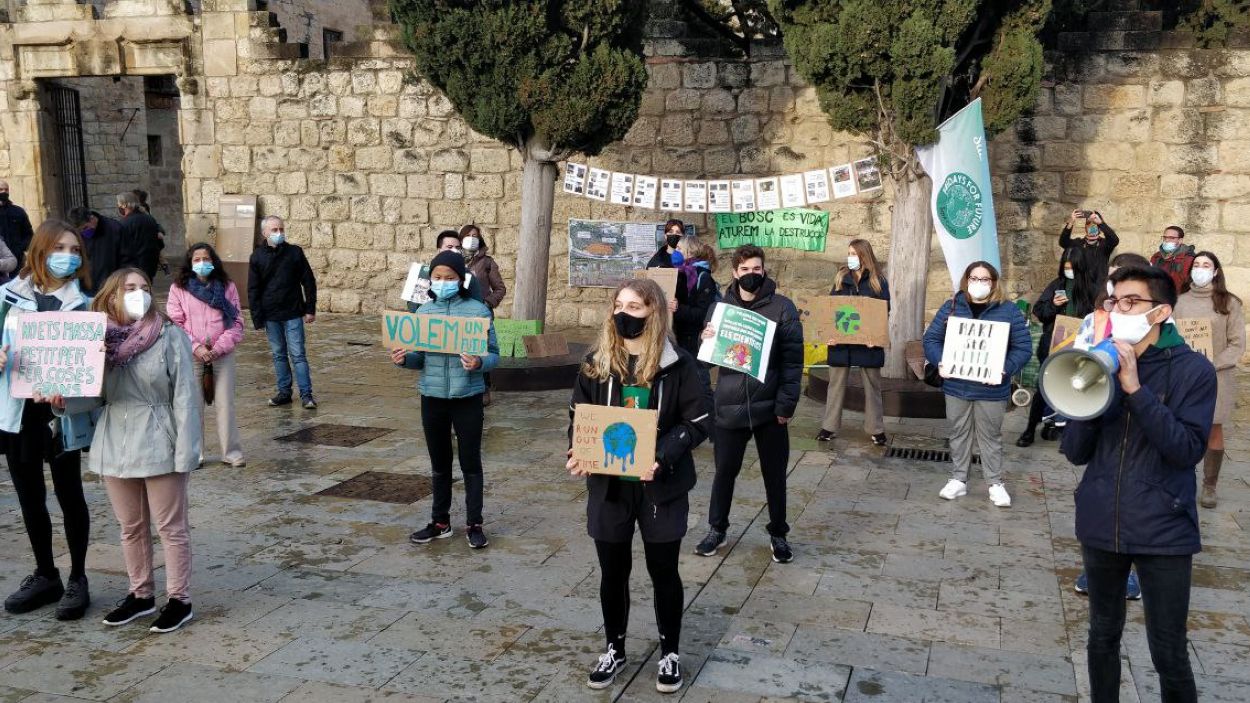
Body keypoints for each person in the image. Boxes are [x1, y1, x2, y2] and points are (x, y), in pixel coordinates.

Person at [1061, 265, 1216, 703]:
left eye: (1131, 302)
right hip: (1101, 521)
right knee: (1101, 636)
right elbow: (1075, 451)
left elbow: (1186, 449)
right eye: (1113, 301)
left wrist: (1136, 390)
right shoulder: (1099, 360)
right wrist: (1092, 397)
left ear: (1160, 312)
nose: (1118, 309)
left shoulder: (1193, 371)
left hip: (1163, 528)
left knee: (1168, 649)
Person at [566, 277, 709, 695]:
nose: (624, 314)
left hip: (659, 488)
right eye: (619, 305)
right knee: (613, 571)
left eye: (635, 307)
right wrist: (576, 451)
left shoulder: (679, 364)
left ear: (654, 313)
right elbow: (579, 415)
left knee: (663, 570)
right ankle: (614, 647)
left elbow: (697, 422)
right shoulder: (596, 361)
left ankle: (670, 652)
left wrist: (662, 456)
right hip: (609, 486)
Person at [52, 268, 200, 632]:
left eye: (144, 287)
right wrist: (62, 399)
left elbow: (185, 396)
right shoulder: (99, 339)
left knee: (170, 527)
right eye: (129, 288)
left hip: (158, 434)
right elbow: (92, 394)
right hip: (115, 437)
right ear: (113, 294)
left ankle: (179, 599)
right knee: (130, 526)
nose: (138, 294)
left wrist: (187, 451)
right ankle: (141, 594)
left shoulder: (169, 335)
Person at [0, 220, 95, 620]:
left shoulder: (84, 304)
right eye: (61, 248)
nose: (68, 256)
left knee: (69, 493)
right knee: (29, 496)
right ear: (40, 250)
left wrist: (70, 392)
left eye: (75, 250)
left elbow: (91, 368)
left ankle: (77, 577)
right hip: (18, 410)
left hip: (58, 414)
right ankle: (45, 573)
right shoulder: (7, 297)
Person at [693, 245, 804, 563]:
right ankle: (717, 529)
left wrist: (786, 405)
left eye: (756, 269)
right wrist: (706, 340)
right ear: (734, 273)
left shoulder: (783, 308)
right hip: (729, 405)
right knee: (724, 472)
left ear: (764, 271)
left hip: (769, 408)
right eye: (745, 270)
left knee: (775, 475)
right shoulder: (719, 309)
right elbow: (707, 364)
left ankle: (779, 534)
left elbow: (793, 362)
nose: (751, 274)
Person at [391, 250, 499, 549]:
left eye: (449, 278)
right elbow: (419, 358)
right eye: (437, 278)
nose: (442, 282)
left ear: (460, 280)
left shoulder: (479, 312)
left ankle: (474, 523)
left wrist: (479, 363)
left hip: (468, 397)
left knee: (470, 463)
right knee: (440, 463)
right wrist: (403, 360)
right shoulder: (423, 314)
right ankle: (440, 521)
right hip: (433, 396)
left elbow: (494, 354)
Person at [923, 261, 1032, 508]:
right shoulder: (951, 307)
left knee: (990, 436)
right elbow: (932, 339)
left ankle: (994, 483)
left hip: (991, 388)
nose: (979, 283)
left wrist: (1005, 367)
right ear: (966, 280)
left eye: (984, 279)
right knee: (958, 432)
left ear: (994, 283)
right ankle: (958, 479)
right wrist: (941, 360)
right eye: (974, 278)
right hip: (957, 385)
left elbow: (1023, 347)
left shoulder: (1009, 310)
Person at [1175, 251, 1244, 509]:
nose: (1200, 269)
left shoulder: (1229, 303)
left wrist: (1211, 365)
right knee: (1182, 427)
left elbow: (1237, 343)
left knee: (1213, 429)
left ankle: (1209, 486)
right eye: (1196, 265)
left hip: (1217, 377)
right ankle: (1183, 480)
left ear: (1216, 271)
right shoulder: (1179, 302)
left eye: (1206, 265)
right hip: (1184, 376)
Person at [167, 243, 246, 468]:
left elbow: (237, 321)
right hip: (192, 355)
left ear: (214, 261)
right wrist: (197, 347)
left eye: (206, 258)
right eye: (197, 259)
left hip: (222, 353)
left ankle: (231, 452)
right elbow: (175, 323)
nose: (202, 263)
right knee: (193, 406)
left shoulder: (227, 286)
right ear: (190, 263)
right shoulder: (178, 288)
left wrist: (219, 348)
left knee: (225, 404)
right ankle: (195, 453)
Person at [1017, 247, 1100, 447]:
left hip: (1079, 345)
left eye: (1072, 267)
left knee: (1075, 387)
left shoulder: (1092, 289)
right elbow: (1040, 311)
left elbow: (1099, 316)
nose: (1068, 270)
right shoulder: (1056, 285)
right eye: (1066, 267)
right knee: (1044, 386)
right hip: (1053, 342)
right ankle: (1030, 429)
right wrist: (1053, 305)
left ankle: (1064, 429)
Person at [816, 239, 891, 447]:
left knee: (872, 386)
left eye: (854, 254)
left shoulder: (878, 281)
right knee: (836, 384)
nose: (850, 258)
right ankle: (829, 427)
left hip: (868, 343)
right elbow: (831, 309)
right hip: (841, 343)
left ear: (864, 256)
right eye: (849, 253)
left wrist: (875, 336)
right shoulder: (840, 278)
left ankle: (876, 429)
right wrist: (829, 334)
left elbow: (884, 311)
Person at [249, 215, 318, 409]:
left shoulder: (294, 253)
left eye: (281, 229)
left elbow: (308, 281)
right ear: (264, 233)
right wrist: (257, 317)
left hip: (293, 311)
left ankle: (307, 394)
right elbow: (253, 289)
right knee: (278, 354)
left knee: (298, 354)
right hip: (271, 314)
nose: (279, 233)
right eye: (274, 230)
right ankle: (284, 392)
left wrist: (310, 308)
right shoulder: (257, 257)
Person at [462, 224, 505, 405]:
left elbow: (500, 288)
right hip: (459, 312)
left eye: (475, 235)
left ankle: (484, 388)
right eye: (468, 235)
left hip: (480, 313)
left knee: (483, 349)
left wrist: (487, 303)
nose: (472, 238)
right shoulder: (454, 260)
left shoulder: (487, 262)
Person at [670, 234, 719, 358]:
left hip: (695, 342)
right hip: (680, 338)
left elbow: (703, 313)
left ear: (691, 252)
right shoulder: (679, 272)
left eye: (679, 249)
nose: (675, 252)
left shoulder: (702, 277)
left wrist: (678, 309)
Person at [68, 207, 128, 295]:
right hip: (86, 289)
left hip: (111, 288)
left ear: (92, 219)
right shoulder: (77, 235)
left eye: (85, 228)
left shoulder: (115, 229)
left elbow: (127, 259)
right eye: (80, 230)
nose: (83, 232)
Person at [116, 192, 163, 280]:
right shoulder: (150, 219)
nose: (118, 206)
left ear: (124, 205)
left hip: (133, 266)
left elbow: (122, 247)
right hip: (150, 264)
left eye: (118, 204)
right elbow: (159, 243)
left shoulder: (125, 223)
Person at [1150, 225, 1196, 295]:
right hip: (1157, 298)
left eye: (1172, 238)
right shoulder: (1156, 257)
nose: (1167, 240)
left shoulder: (1188, 259)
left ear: (1180, 240)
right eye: (1165, 237)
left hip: (1178, 300)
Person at [0, 180, 35, 271]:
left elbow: (29, 235)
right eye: (0, 189)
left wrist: (19, 248)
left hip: (17, 261)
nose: (4, 192)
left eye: (6, 190)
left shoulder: (18, 212)